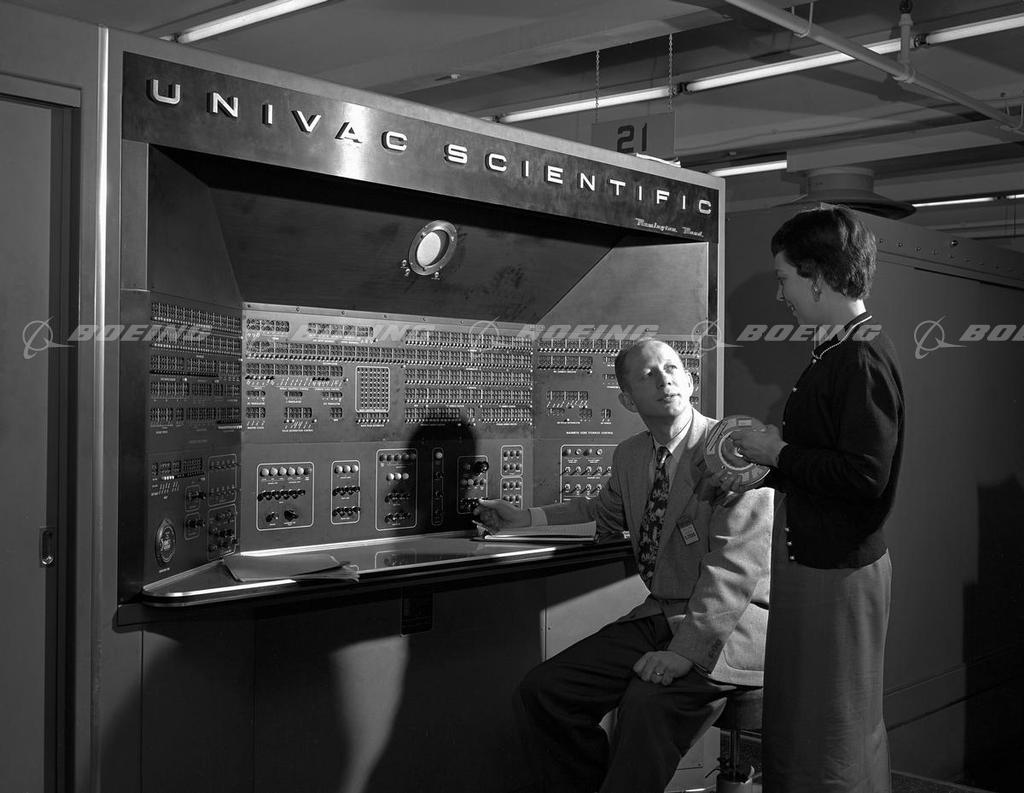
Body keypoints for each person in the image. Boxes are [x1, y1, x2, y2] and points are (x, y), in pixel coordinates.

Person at [474, 338, 772, 793]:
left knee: (645, 706)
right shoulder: (632, 455)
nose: (664, 379)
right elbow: (603, 513)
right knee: (546, 691)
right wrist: (524, 518)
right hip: (661, 615)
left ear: (690, 381)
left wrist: (683, 654)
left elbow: (735, 570)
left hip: (727, 627)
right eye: (648, 374)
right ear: (627, 399)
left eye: (671, 368)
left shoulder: (731, 450)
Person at [722, 206, 905, 793]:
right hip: (818, 565)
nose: (782, 295)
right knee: (812, 720)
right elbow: (827, 461)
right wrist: (765, 468)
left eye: (785, 279)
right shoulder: (840, 348)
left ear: (818, 277)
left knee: (833, 727)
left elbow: (864, 476)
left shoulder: (860, 356)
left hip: (836, 572)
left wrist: (776, 452)